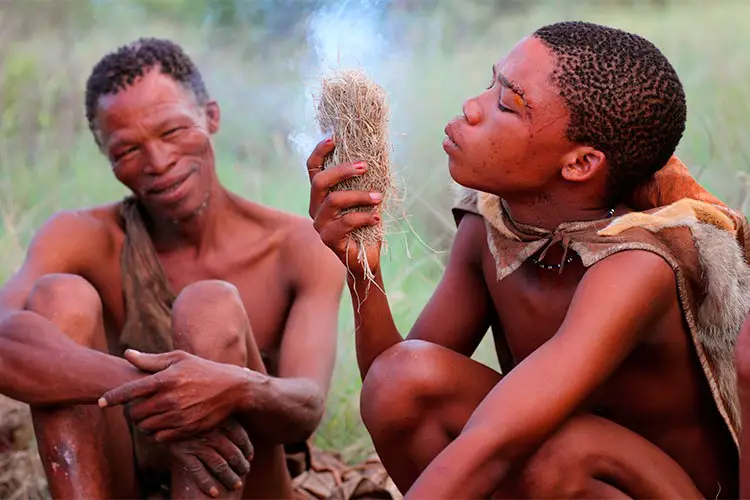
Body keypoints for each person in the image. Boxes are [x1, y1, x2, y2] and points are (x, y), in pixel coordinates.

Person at [307, 21, 750, 498]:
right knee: (402, 380)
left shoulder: (637, 262)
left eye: (506, 104)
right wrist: (361, 269)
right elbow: (394, 397)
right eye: (488, 83)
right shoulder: (492, 225)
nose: (471, 108)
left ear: (580, 164)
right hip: (553, 462)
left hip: (663, 489)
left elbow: (497, 439)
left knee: (558, 455)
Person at [0, 38, 347, 499]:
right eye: (127, 151)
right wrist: (163, 389)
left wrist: (231, 389)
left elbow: (306, 407)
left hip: (249, 483)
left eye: (172, 131)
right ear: (107, 158)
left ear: (211, 116)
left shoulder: (296, 246)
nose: (158, 164)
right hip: (126, 480)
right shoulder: (82, 237)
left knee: (210, 305)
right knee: (58, 297)